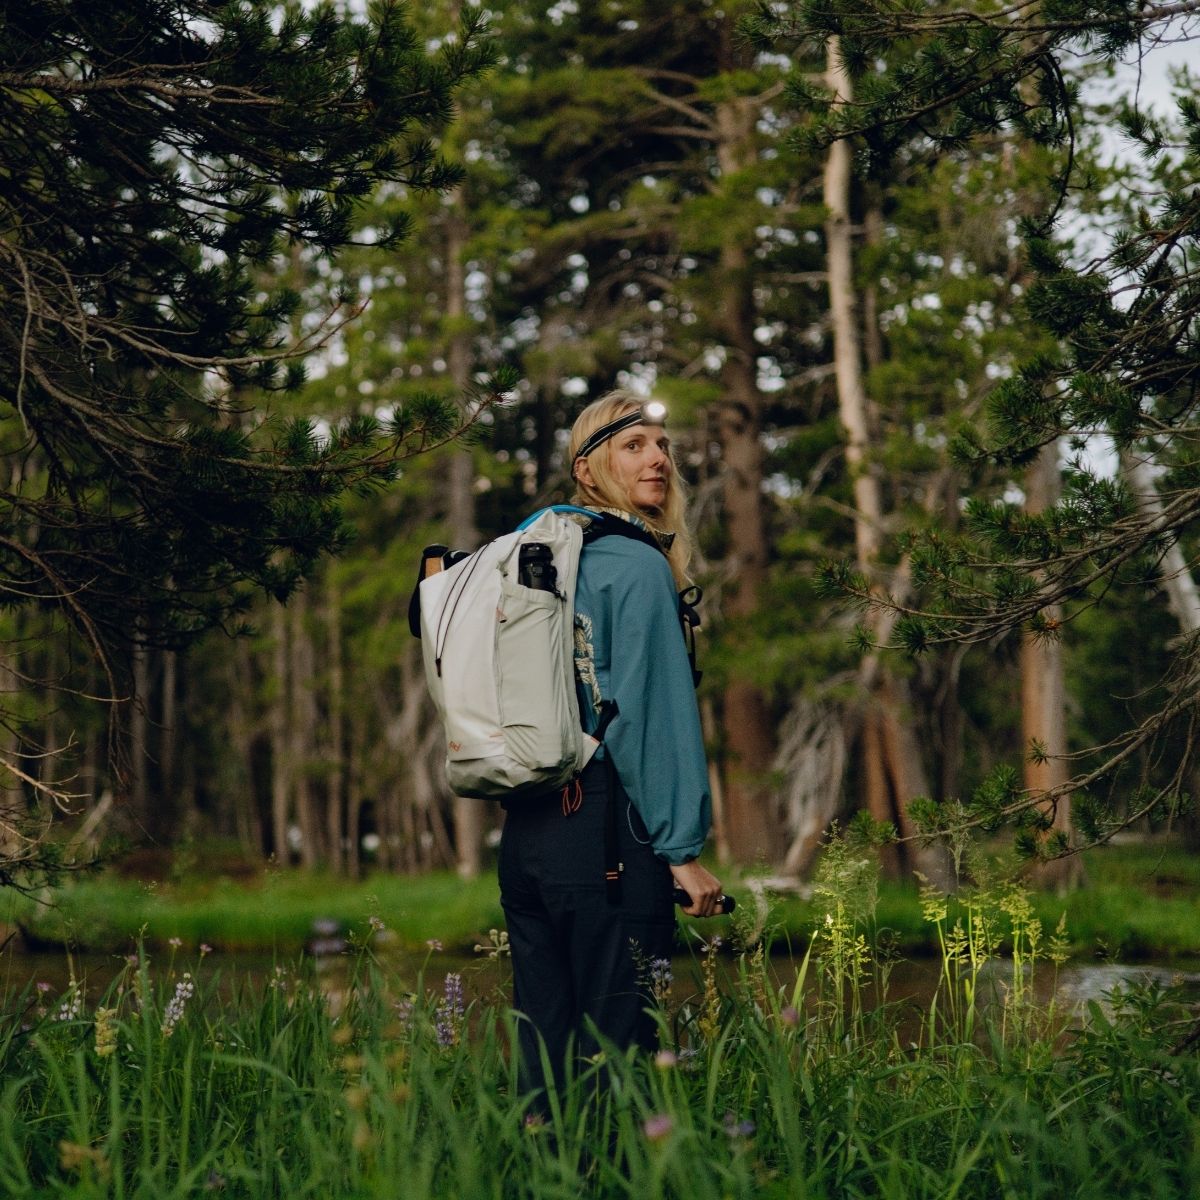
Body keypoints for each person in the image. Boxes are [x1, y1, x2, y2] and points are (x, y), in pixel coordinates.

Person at [499, 390, 724, 1106]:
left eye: (663, 445)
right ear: (587, 471)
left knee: (547, 1064)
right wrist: (681, 851)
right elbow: (650, 718)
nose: (658, 458)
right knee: (622, 1063)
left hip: (529, 836)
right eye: (634, 446)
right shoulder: (633, 565)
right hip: (607, 835)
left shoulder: (529, 556)